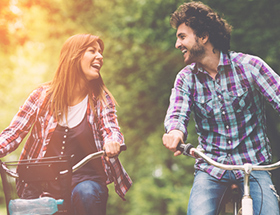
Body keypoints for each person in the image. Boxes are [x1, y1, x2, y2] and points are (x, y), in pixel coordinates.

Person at [162, 1, 280, 215]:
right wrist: (175, 132)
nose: (177, 44)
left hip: (253, 167)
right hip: (211, 169)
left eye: (182, 36)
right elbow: (177, 112)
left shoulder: (250, 67)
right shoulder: (186, 78)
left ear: (203, 36)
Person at [0, 34, 132, 215]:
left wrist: (112, 141)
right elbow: (14, 132)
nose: (100, 56)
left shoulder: (100, 99)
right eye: (92, 51)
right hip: (42, 184)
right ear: (73, 57)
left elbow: (111, 129)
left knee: (85, 193)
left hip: (86, 182)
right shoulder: (42, 96)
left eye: (100, 52)